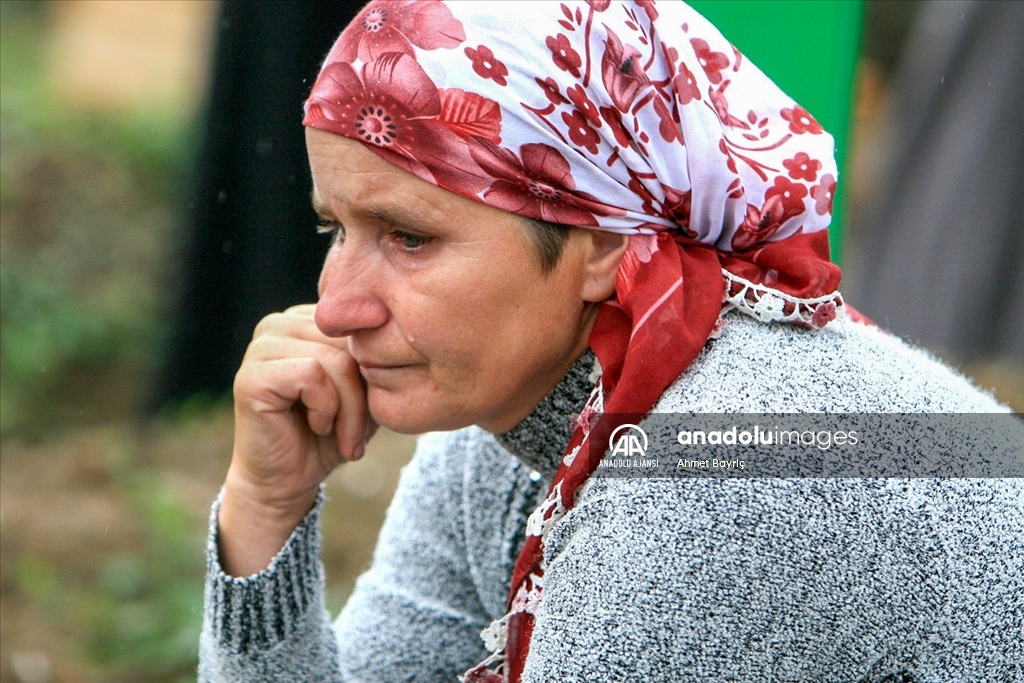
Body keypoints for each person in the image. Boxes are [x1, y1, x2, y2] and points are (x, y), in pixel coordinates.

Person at [198, 2, 1022, 682]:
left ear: (600, 241)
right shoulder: (512, 429)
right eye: (332, 226)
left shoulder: (727, 455)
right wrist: (264, 511)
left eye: (408, 236)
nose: (336, 307)